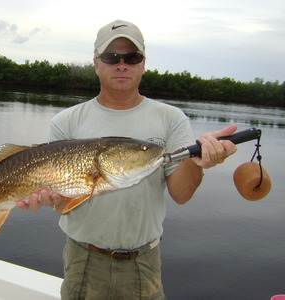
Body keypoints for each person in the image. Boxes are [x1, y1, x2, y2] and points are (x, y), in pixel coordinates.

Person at [17, 20, 237, 299]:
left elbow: (181, 194)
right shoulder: (66, 121)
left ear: (143, 64)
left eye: (132, 58)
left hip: (144, 262)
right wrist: (49, 198)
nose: (122, 65)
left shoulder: (171, 119)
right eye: (111, 57)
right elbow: (64, 205)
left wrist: (197, 161)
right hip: (82, 259)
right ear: (96, 63)